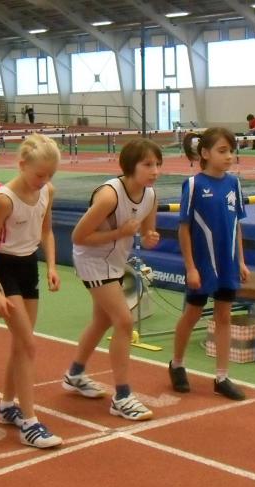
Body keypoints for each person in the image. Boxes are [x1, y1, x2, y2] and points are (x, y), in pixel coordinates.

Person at [62, 138, 162, 421]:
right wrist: (120, 233)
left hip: (115, 261)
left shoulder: (151, 195)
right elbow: (78, 237)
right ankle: (122, 396)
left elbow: (147, 230)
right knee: (124, 321)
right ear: (130, 166)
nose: (155, 171)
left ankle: (74, 374)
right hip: (92, 261)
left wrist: (150, 236)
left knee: (102, 321)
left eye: (158, 164)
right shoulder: (109, 196)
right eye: (148, 165)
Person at [0, 133, 63, 449]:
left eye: (50, 175)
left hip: (28, 267)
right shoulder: (5, 200)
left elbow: (46, 231)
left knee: (21, 344)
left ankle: (6, 405)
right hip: (5, 268)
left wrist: (51, 266)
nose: (45, 180)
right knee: (28, 345)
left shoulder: (47, 191)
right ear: (22, 164)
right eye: (40, 174)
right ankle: (29, 421)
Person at [169, 128, 249, 401]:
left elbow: (237, 225)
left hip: (228, 263)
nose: (229, 156)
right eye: (222, 151)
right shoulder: (193, 185)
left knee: (224, 316)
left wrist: (242, 261)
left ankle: (222, 377)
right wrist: (191, 267)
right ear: (204, 153)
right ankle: (177, 364)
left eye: (231, 151)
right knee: (192, 314)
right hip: (202, 265)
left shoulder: (234, 184)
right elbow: (184, 229)